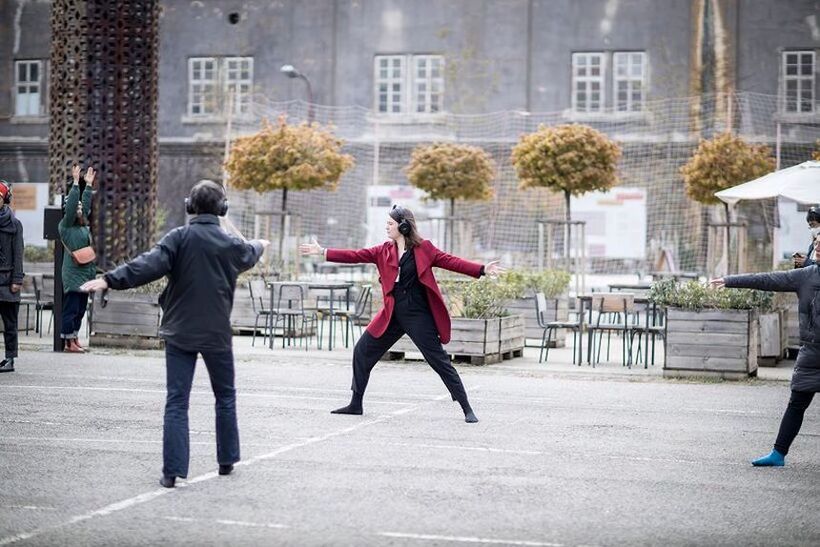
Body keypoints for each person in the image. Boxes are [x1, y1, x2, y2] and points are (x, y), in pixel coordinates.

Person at [80, 180, 269, 488]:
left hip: (179, 330)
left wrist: (110, 280)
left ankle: (172, 471)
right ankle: (226, 460)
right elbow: (249, 253)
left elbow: (146, 265)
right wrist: (262, 244)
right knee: (225, 396)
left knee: (177, 401)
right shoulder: (229, 242)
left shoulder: (178, 238)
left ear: (189, 207)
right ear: (223, 209)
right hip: (216, 333)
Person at [299, 205, 503, 423]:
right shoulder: (383, 250)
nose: (386, 227)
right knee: (362, 351)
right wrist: (323, 252)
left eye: (390, 224)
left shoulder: (425, 249)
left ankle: (466, 408)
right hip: (391, 313)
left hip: (417, 314)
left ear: (404, 226)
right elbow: (355, 255)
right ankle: (355, 404)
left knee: (439, 360)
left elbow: (450, 261)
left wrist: (481, 269)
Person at [710, 234, 820, 466]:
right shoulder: (806, 276)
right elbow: (769, 279)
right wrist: (730, 281)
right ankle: (778, 454)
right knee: (796, 404)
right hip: (811, 353)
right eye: (816, 243)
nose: (817, 247)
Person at [59, 164, 97, 353]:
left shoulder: (82, 226)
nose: (80, 210)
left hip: (85, 273)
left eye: (81, 208)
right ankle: (68, 342)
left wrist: (88, 186)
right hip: (73, 273)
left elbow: (86, 205)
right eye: (77, 208)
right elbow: (74, 203)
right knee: (71, 309)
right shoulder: (66, 226)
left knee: (80, 310)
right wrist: (75, 184)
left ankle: (75, 338)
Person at [0, 180, 24, 373]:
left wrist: (17, 280)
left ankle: (10, 359)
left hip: (8, 282)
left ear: (5, 199)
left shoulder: (14, 224)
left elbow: (19, 253)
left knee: (10, 324)